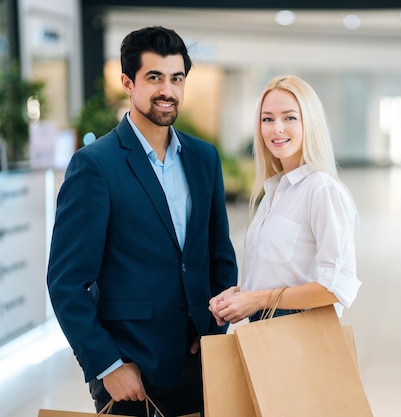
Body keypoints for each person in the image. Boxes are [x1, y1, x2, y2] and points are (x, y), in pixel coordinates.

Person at [46, 26, 238, 416]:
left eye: (177, 78)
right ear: (127, 83)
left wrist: (215, 330)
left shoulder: (204, 158)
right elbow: (66, 282)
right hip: (130, 369)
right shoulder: (95, 165)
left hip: (200, 363)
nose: (167, 90)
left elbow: (220, 255)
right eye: (154, 77)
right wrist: (107, 365)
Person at [209, 75, 360, 326]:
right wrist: (240, 295)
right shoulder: (275, 190)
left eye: (289, 117)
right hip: (265, 331)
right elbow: (283, 276)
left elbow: (338, 286)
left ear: (309, 123)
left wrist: (259, 299)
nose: (277, 128)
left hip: (297, 338)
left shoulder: (322, 189)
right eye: (267, 119)